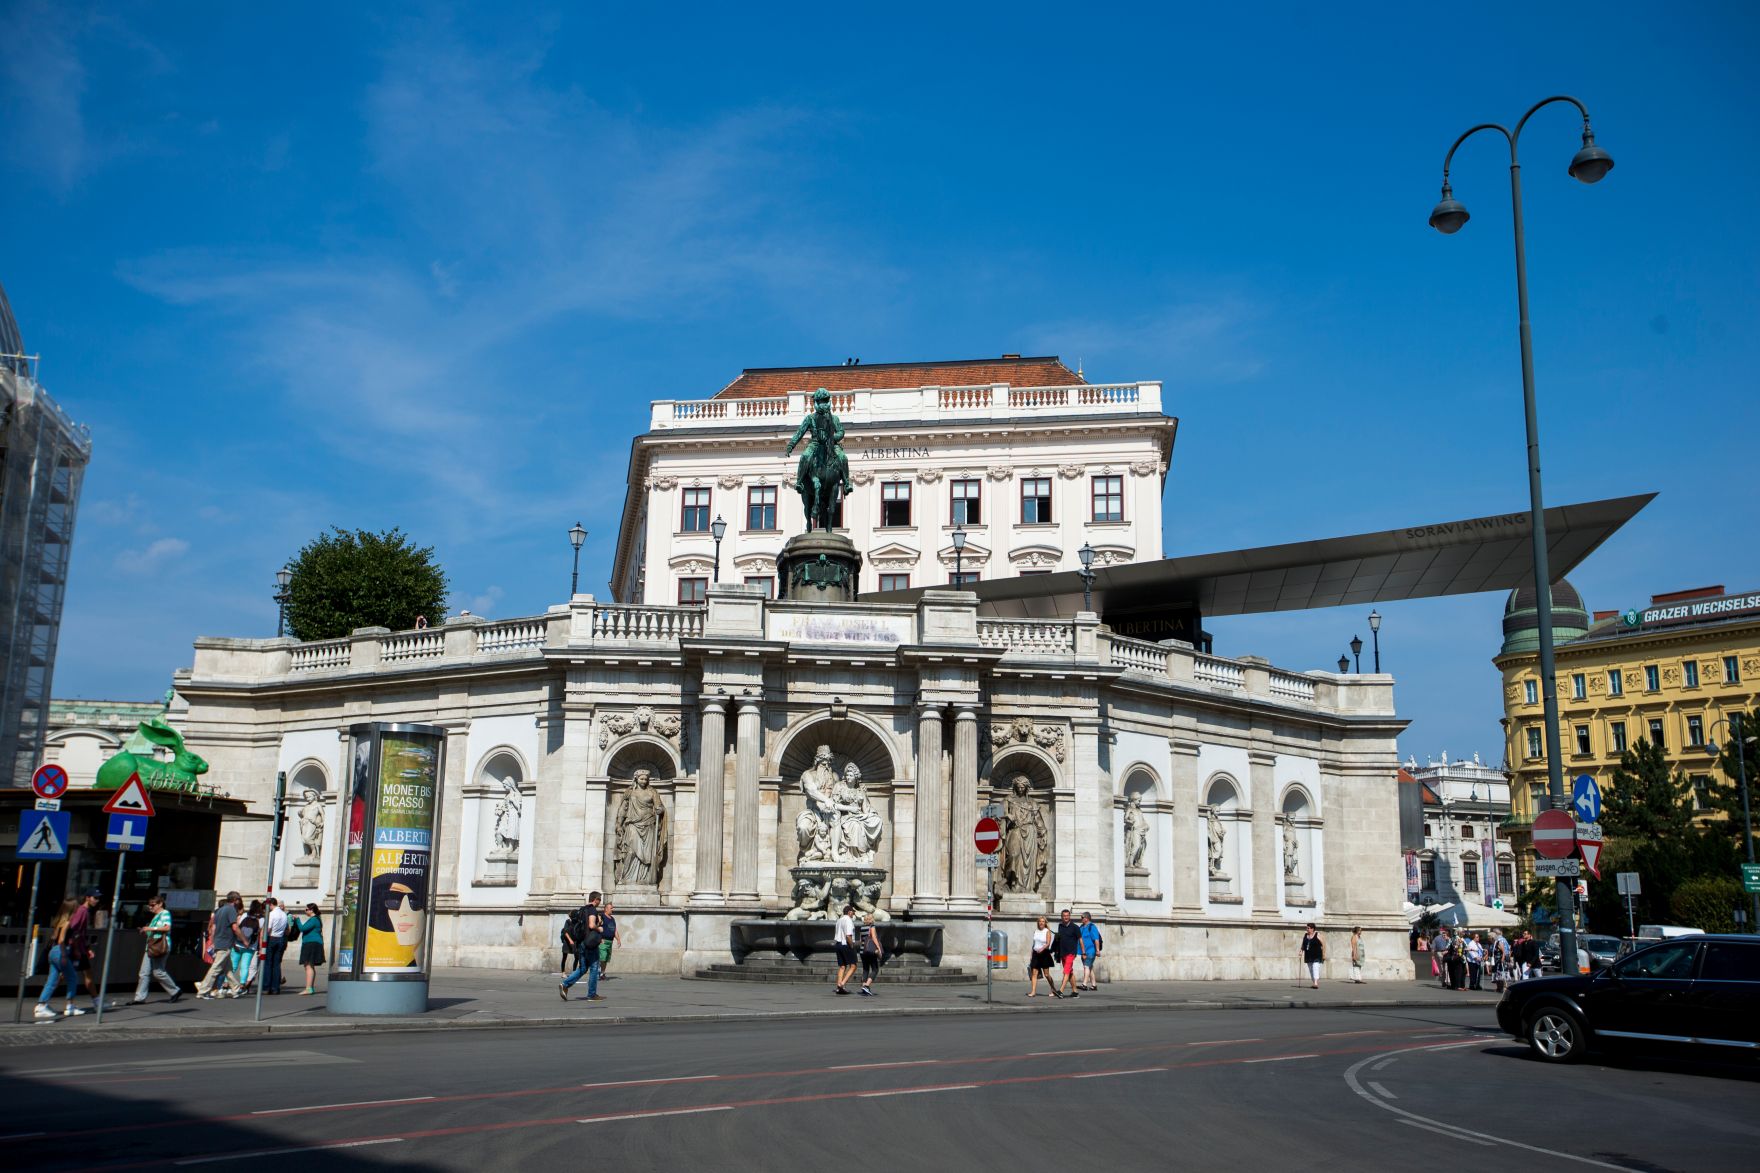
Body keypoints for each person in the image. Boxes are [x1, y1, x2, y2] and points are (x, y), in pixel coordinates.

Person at [34, 898, 84, 1020]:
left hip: (53, 952)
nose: (78, 909)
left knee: (52, 980)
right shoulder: (67, 922)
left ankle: (41, 1005)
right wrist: (64, 955)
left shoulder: (59, 923)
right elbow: (62, 940)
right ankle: (70, 1006)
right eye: (77, 907)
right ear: (72, 909)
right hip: (60, 952)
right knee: (72, 978)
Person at [132, 894, 182, 1004]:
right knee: (144, 973)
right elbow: (154, 931)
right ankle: (139, 998)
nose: (150, 907)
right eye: (149, 905)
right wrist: (146, 930)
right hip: (151, 947)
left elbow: (167, 927)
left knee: (158, 972)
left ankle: (175, 991)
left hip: (160, 946)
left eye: (153, 905)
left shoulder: (165, 913)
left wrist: (150, 928)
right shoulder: (156, 916)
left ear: (160, 904)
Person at [559, 892, 605, 1001]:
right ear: (596, 899)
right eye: (599, 900)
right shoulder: (592, 909)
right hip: (590, 943)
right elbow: (591, 925)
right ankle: (592, 994)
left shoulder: (582, 909)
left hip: (582, 943)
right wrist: (599, 929)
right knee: (594, 967)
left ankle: (565, 984)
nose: (600, 902)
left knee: (583, 968)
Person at [196, 891, 242, 999]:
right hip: (224, 944)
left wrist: (212, 941)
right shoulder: (231, 910)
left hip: (220, 942)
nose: (239, 901)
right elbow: (235, 927)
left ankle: (236, 989)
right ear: (235, 900)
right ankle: (203, 991)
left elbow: (213, 928)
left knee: (228, 969)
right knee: (216, 968)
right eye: (238, 899)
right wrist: (243, 940)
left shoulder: (219, 910)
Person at [289, 903, 325, 995]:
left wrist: (297, 919)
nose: (305, 911)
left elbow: (302, 928)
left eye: (306, 909)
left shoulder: (314, 920)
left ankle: (308, 988)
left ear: (311, 910)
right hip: (313, 943)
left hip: (311, 944)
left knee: (308, 965)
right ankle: (310, 988)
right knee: (310, 965)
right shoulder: (315, 919)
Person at [229, 900, 262, 997]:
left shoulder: (244, 915)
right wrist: (259, 948)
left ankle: (226, 983)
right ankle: (242, 984)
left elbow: (237, 927)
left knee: (233, 965)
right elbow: (260, 934)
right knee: (245, 966)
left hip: (238, 944)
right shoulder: (261, 919)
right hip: (250, 946)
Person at [1052, 909, 1082, 998]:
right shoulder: (1060, 926)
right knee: (1070, 972)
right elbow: (1058, 939)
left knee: (1066, 972)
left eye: (1067, 915)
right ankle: (1075, 992)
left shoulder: (1075, 927)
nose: (1066, 917)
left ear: (1069, 916)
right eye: (1064, 916)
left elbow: (1080, 940)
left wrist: (1083, 952)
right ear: (1062, 917)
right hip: (1063, 953)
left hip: (1071, 952)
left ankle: (1061, 991)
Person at [262, 897, 289, 994]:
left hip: (272, 938)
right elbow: (286, 929)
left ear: (270, 904)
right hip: (281, 938)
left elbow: (268, 929)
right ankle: (275, 987)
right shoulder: (284, 914)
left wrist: (263, 940)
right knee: (277, 964)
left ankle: (266, 986)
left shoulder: (272, 914)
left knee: (268, 963)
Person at [832, 903, 859, 995]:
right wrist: (851, 945)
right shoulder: (848, 920)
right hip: (846, 944)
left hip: (838, 944)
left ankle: (839, 986)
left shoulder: (839, 920)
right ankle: (842, 984)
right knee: (853, 965)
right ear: (849, 912)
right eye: (853, 912)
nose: (853, 914)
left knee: (842, 966)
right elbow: (848, 935)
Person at [1027, 916, 1055, 997]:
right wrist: (1032, 954)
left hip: (1044, 954)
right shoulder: (1036, 931)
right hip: (1036, 953)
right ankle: (1033, 992)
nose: (1041, 923)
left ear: (1045, 923)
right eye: (1040, 921)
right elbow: (1034, 944)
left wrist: (1042, 949)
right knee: (1034, 973)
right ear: (1038, 923)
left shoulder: (1047, 931)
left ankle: (1053, 989)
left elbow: (1048, 943)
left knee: (1046, 974)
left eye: (1043, 921)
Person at [858, 913, 882, 996]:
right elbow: (874, 938)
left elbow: (861, 940)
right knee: (875, 969)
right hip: (870, 951)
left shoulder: (862, 927)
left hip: (862, 951)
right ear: (871, 919)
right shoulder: (872, 927)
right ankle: (867, 986)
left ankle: (863, 986)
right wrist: (878, 948)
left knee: (865, 969)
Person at [1077, 912, 1104, 990]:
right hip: (1083, 951)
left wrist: (1098, 950)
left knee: (1086, 966)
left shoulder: (1092, 927)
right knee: (1089, 967)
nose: (1081, 919)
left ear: (1086, 918)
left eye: (1082, 917)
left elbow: (1096, 939)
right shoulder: (1082, 926)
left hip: (1091, 950)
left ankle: (1084, 984)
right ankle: (1094, 985)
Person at [598, 901, 622, 978]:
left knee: (606, 959)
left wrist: (618, 939)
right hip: (603, 941)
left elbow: (614, 930)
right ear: (606, 909)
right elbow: (597, 925)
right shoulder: (602, 916)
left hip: (610, 942)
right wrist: (599, 938)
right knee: (603, 957)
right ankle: (598, 969)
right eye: (611, 908)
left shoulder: (612, 919)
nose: (612, 909)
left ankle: (602, 973)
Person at [1299, 923, 1325, 988]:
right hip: (1308, 955)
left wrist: (1324, 954)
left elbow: (1323, 944)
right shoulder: (1305, 935)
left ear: (1312, 929)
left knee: (1315, 968)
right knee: (1311, 969)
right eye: (1307, 928)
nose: (1307, 929)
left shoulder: (1317, 935)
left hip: (1317, 955)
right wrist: (1301, 951)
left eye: (1308, 928)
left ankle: (1316, 983)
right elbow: (1303, 944)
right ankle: (1314, 982)